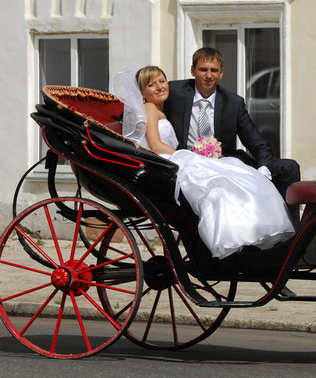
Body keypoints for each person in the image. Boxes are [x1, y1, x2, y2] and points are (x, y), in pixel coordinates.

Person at [114, 66, 295, 259]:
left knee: (235, 172)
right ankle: (240, 235)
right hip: (165, 162)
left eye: (162, 81)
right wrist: (190, 156)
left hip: (172, 158)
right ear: (141, 92)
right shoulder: (149, 109)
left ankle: (248, 231)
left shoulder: (160, 110)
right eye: (151, 84)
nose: (159, 87)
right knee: (223, 180)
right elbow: (156, 146)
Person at [164, 47, 300, 216]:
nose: (208, 75)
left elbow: (258, 144)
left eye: (214, 70)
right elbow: (147, 103)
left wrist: (263, 169)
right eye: (203, 69)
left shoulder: (233, 103)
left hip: (225, 164)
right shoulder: (174, 92)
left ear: (221, 73)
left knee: (289, 167)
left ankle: (290, 238)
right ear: (193, 71)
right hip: (188, 165)